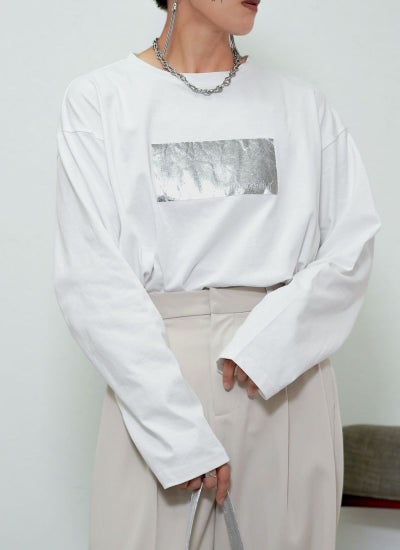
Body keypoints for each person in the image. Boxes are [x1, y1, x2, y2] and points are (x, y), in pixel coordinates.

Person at [53, 0, 382, 548]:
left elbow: (352, 245)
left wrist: (271, 345)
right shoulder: (101, 101)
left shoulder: (301, 105)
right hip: (158, 375)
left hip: (284, 381)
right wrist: (176, 433)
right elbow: (92, 280)